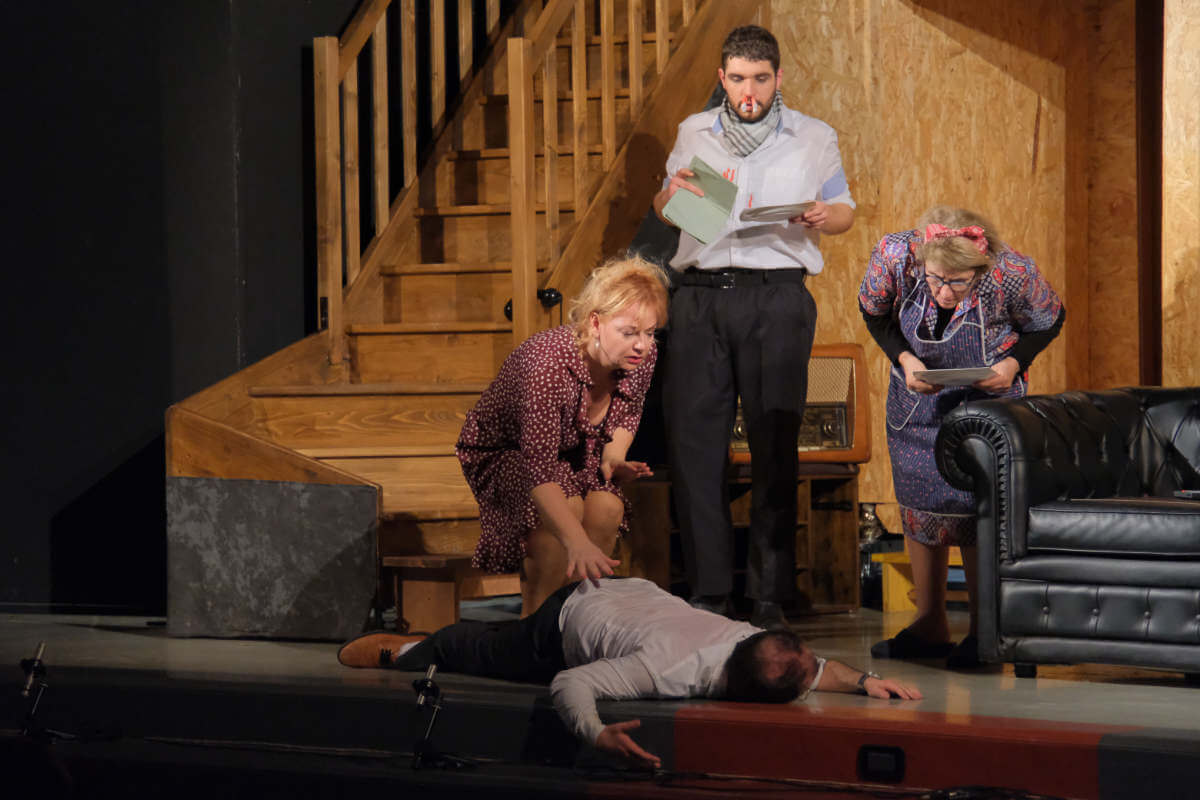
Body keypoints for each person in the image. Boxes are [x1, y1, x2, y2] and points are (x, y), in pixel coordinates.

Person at [650, 25, 856, 628]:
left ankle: (769, 595)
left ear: (777, 78)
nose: (749, 91)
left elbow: (844, 209)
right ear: (722, 78)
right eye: (738, 78)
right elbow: (665, 206)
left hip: (776, 296)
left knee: (774, 440)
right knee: (695, 445)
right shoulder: (694, 131)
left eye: (760, 79)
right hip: (701, 296)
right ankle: (711, 592)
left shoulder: (813, 136)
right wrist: (672, 196)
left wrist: (824, 215)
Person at [337, 577, 921, 767]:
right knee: (481, 652)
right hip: (565, 621)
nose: (815, 674)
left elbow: (813, 669)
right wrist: (595, 733)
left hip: (626, 596)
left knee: (497, 644)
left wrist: (864, 681)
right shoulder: (667, 670)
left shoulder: (749, 641)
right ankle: (409, 649)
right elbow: (571, 682)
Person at [858, 206, 1064, 668]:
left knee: (977, 508)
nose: (944, 292)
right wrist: (905, 360)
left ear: (981, 269)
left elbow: (1049, 319)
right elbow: (874, 312)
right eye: (935, 279)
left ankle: (983, 630)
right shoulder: (895, 256)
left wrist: (1012, 365)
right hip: (917, 402)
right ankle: (929, 624)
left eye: (958, 282)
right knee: (918, 504)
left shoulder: (1012, 271)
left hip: (985, 402)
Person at [456, 255, 670, 617]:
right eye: (630, 333)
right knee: (567, 508)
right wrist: (577, 542)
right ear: (595, 323)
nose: (642, 345)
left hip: (575, 451)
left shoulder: (641, 357)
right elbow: (539, 470)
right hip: (504, 452)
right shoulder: (546, 364)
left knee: (608, 508)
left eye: (650, 333)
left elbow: (629, 411)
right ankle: (537, 619)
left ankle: (576, 619)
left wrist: (614, 458)